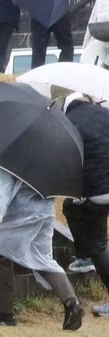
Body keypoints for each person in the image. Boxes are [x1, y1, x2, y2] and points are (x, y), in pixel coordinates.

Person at [0, 166, 84, 330]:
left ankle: (5, 313)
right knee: (43, 259)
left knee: (2, 255)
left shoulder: (13, 149)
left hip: (22, 211)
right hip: (46, 211)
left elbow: (4, 185)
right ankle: (71, 303)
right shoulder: (50, 151)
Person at [62, 95, 109, 316]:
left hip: (96, 192)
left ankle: (85, 257)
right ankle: (83, 258)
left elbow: (70, 160)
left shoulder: (69, 122)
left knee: (98, 245)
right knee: (70, 208)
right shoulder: (105, 114)